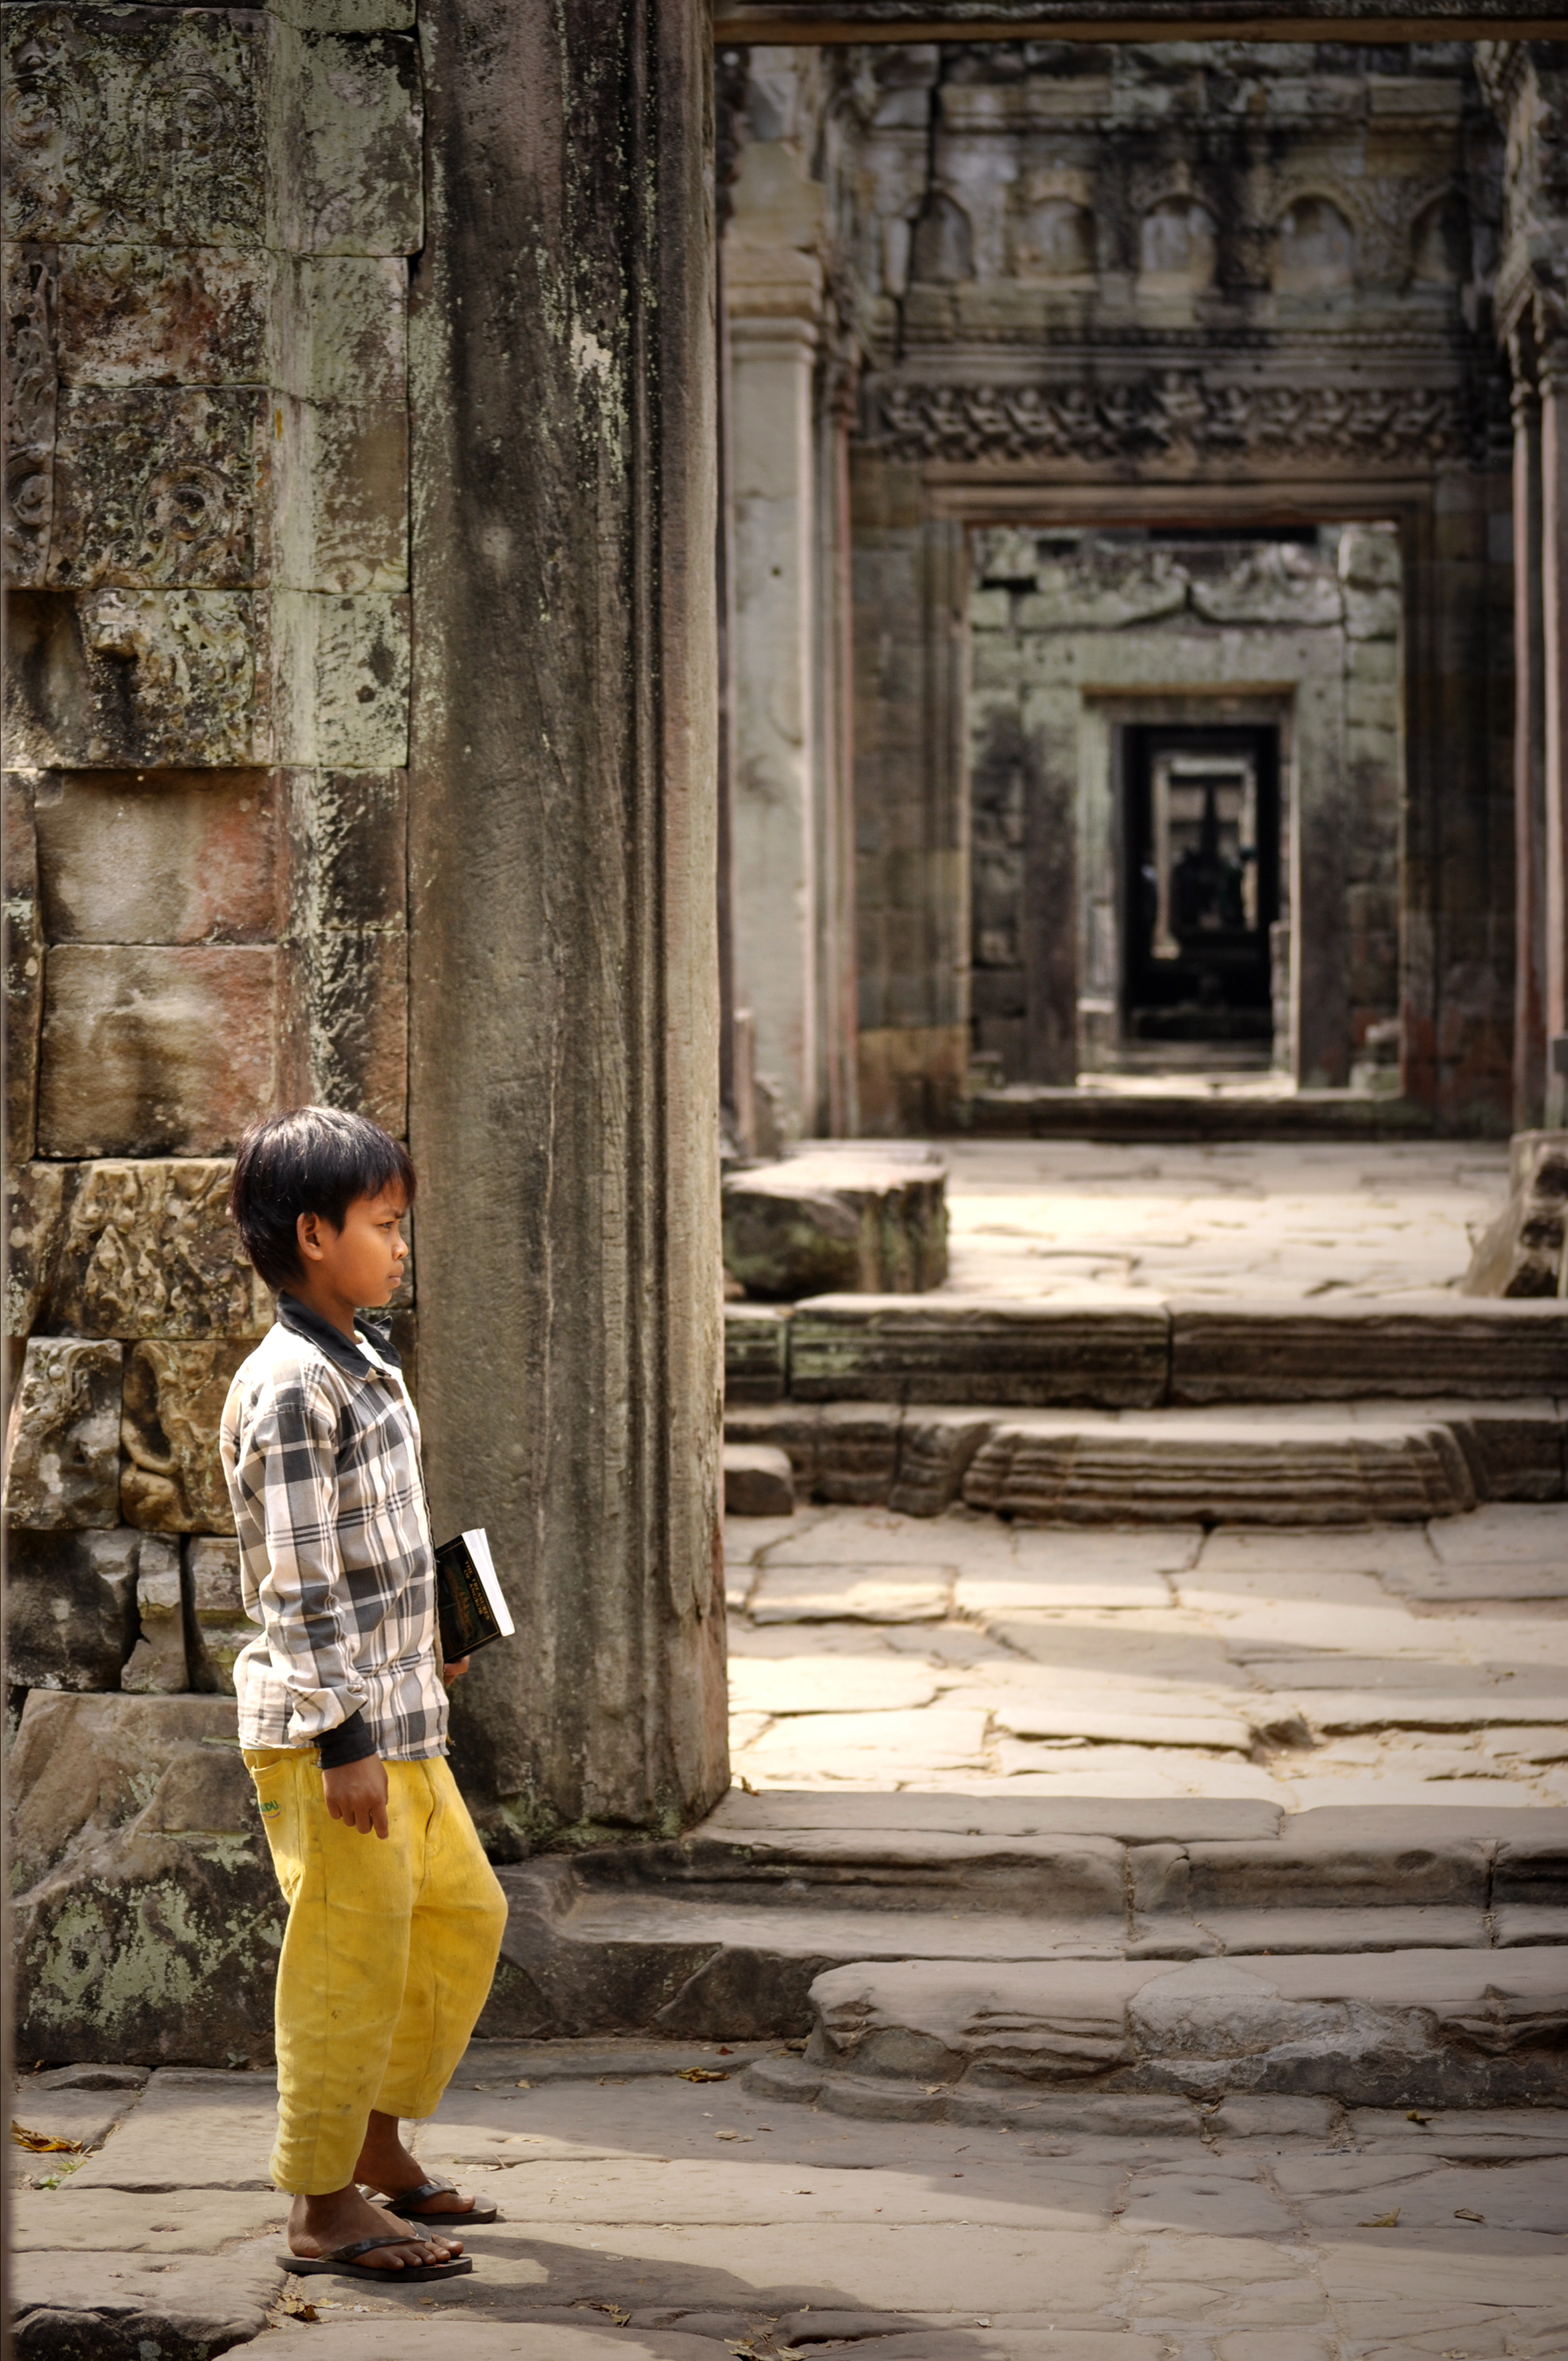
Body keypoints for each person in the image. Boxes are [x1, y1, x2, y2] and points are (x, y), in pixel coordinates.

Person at [222, 1106, 508, 2285]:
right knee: (345, 1962)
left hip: (403, 1717)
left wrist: (434, 1634)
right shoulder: (293, 1387)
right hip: (332, 1735)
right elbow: (295, 1586)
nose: (400, 1246)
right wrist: (340, 1735)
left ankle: (379, 2142)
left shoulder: (362, 1357)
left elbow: (366, 1543)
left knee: (459, 1918)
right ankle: (321, 2202)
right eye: (384, 1225)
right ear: (313, 1233)